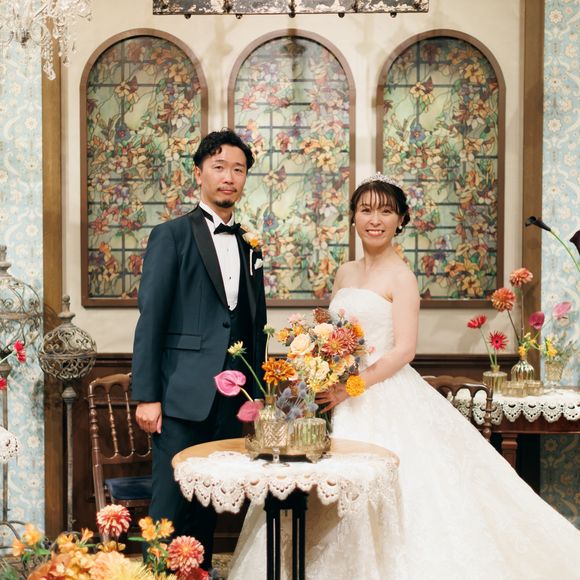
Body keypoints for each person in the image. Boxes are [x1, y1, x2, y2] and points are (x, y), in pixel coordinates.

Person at [228, 173, 580, 579]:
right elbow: (331, 330)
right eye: (366, 210)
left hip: (378, 393)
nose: (374, 219)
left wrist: (350, 388)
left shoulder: (402, 277)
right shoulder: (345, 273)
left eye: (385, 211)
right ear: (353, 217)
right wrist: (317, 367)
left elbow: (403, 350)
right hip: (329, 390)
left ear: (400, 220)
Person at [131, 129, 267, 570]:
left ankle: (198, 576)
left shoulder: (249, 243)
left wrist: (256, 396)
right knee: (168, 506)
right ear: (199, 173)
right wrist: (147, 396)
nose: (229, 177)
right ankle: (154, 577)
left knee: (206, 506)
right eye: (219, 167)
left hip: (230, 400)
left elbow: (254, 325)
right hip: (178, 396)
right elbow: (151, 319)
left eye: (238, 170)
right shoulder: (171, 235)